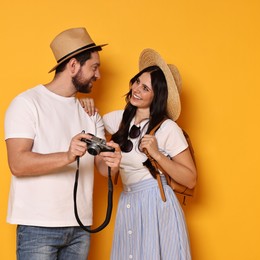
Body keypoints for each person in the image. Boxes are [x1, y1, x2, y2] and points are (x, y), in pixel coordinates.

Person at [4, 27, 121, 260]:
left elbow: (101, 169)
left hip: (80, 228)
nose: (98, 76)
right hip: (38, 226)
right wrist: (67, 156)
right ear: (74, 66)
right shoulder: (26, 104)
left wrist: (113, 163)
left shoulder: (90, 113)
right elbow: (17, 163)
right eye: (94, 68)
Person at [80, 48, 197, 259]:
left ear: (157, 96)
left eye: (145, 88)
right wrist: (83, 103)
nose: (136, 90)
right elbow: (89, 121)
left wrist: (157, 154)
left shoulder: (167, 128)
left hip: (157, 204)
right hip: (129, 201)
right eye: (137, 82)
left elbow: (190, 179)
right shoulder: (118, 120)